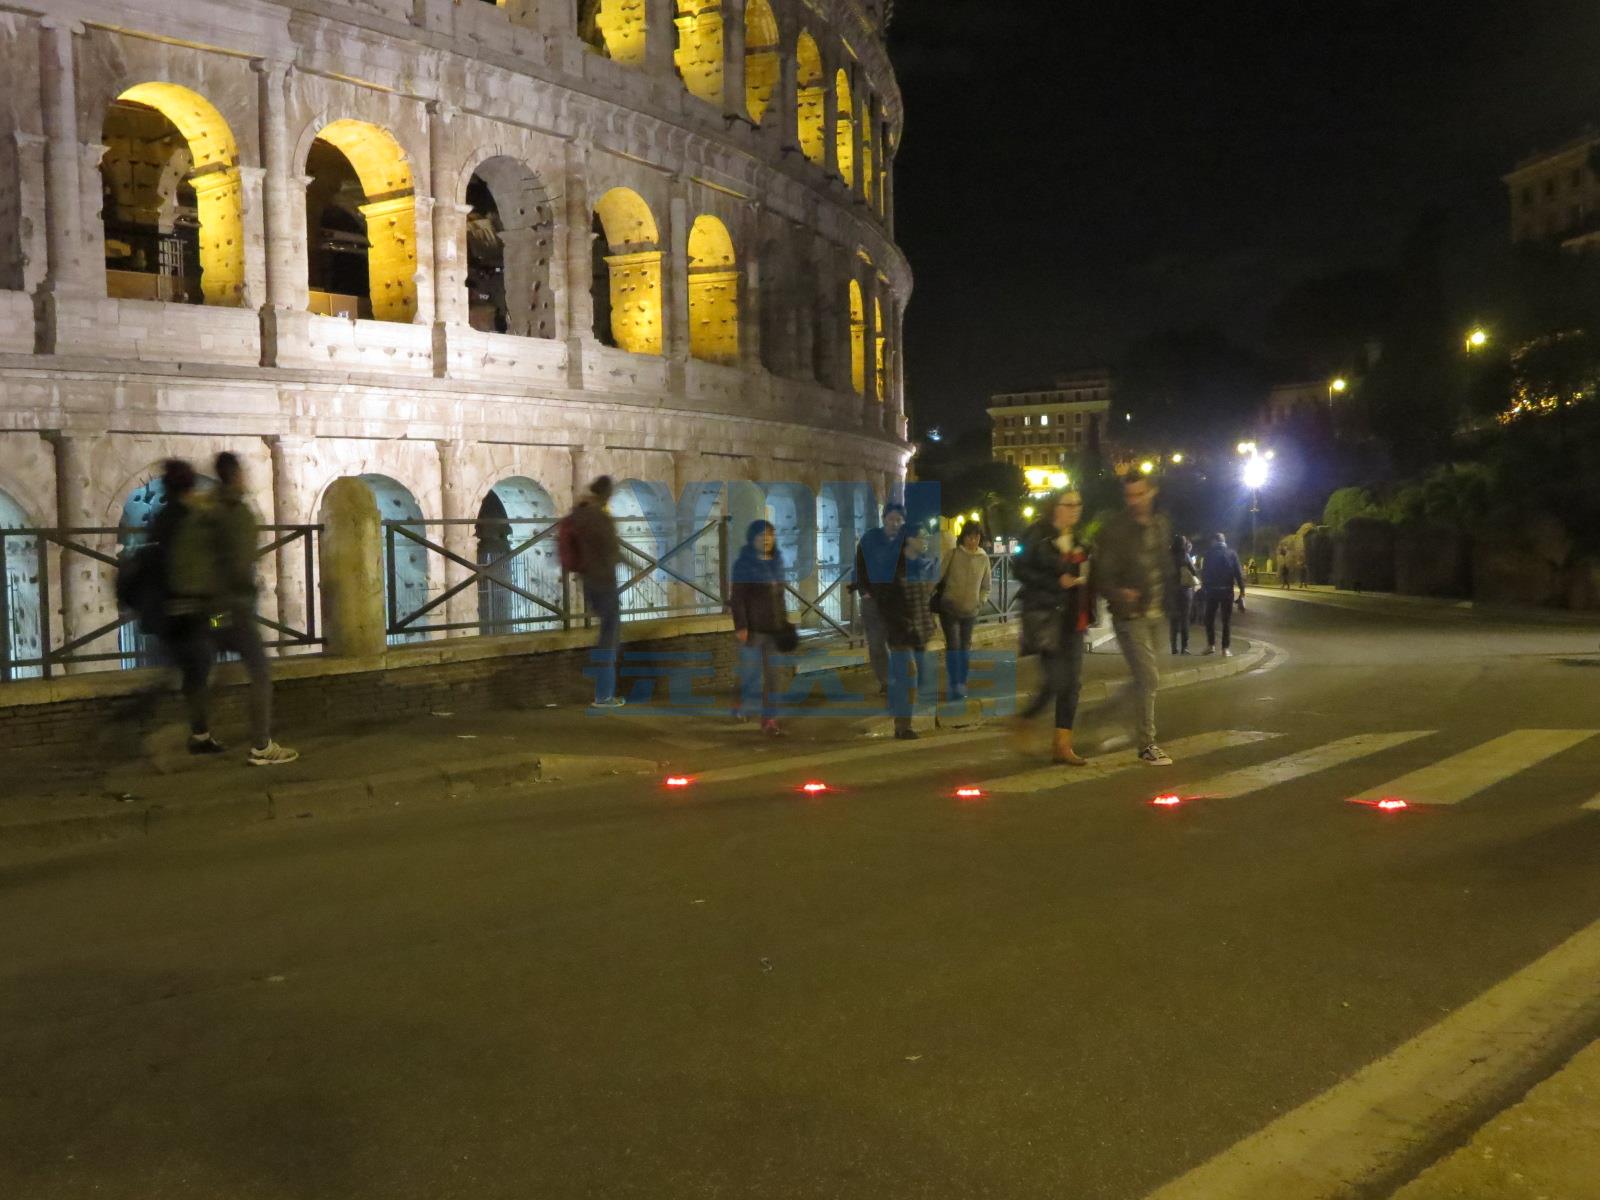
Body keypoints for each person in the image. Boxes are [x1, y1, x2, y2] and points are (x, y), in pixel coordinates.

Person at [163, 453, 299, 765]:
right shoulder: (236, 511)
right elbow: (241, 564)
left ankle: (199, 734)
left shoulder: (201, 507)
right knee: (260, 671)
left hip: (202, 609)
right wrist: (246, 589)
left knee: (201, 669)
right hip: (228, 609)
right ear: (236, 476)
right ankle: (262, 746)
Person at [1096, 473, 1177, 766]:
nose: (1135, 501)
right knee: (1148, 677)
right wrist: (1120, 594)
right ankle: (1147, 744)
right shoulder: (1115, 530)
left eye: (1140, 494)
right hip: (1130, 616)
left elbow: (1164, 565)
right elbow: (1101, 575)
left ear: (1151, 492)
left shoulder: (1160, 525)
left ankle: (1104, 713)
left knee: (1150, 678)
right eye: (1129, 495)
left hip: (1156, 613)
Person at [1012, 491, 1094, 765]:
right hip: (1046, 615)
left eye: (1078, 504)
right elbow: (1019, 569)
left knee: (1073, 683)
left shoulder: (1080, 540)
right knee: (1057, 680)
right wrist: (1055, 582)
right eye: (1068, 504)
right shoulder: (1037, 534)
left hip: (1074, 617)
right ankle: (1026, 718)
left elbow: (1088, 574)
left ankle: (1063, 745)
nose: (1074, 509)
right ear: (1054, 507)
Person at [566, 475, 624, 708]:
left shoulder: (580, 513)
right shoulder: (602, 518)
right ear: (608, 494)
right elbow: (613, 550)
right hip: (605, 582)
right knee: (610, 637)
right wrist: (635, 566)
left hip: (588, 580)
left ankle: (601, 688)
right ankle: (604, 695)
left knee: (606, 635)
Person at [730, 519, 789, 736]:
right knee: (750, 674)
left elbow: (780, 596)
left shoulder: (777, 561)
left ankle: (769, 718)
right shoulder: (743, 564)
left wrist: (784, 623)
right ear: (752, 539)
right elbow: (737, 598)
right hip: (753, 630)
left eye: (770, 535)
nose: (766, 540)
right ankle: (740, 702)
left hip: (773, 629)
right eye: (761, 536)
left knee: (774, 675)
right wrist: (741, 626)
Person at [877, 522, 936, 740]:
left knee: (916, 679)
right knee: (908, 677)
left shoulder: (921, 565)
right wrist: (901, 622)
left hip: (920, 630)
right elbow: (884, 601)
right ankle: (902, 726)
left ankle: (901, 716)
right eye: (922, 536)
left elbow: (925, 599)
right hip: (901, 631)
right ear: (909, 540)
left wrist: (929, 620)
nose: (926, 540)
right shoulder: (893, 567)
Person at [851, 503, 906, 693]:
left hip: (897, 602)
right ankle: (886, 682)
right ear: (884, 519)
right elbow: (859, 565)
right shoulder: (870, 539)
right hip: (872, 600)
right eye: (891, 518)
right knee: (876, 644)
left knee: (899, 644)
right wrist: (864, 591)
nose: (894, 523)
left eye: (899, 519)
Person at [936, 520, 991, 701]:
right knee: (954, 646)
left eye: (976, 537)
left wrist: (980, 602)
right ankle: (954, 684)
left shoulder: (984, 559)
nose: (973, 541)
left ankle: (961, 683)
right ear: (963, 537)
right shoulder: (953, 554)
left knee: (965, 648)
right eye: (969, 537)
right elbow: (939, 576)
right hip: (950, 608)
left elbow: (986, 586)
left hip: (970, 611)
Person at [1199, 532, 1246, 656]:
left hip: (1212, 591)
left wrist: (1204, 587)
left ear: (1214, 541)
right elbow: (1238, 574)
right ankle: (1225, 649)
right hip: (1227, 591)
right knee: (1226, 620)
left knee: (1209, 618)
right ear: (1224, 541)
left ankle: (1211, 645)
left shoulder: (1208, 554)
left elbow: (1204, 573)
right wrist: (1242, 592)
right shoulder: (1232, 554)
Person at [1170, 534, 1198, 656]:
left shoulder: (1168, 556)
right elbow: (1194, 571)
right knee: (1185, 619)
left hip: (1171, 591)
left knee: (1173, 619)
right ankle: (1184, 648)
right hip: (1185, 591)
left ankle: (1173, 647)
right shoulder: (1185, 556)